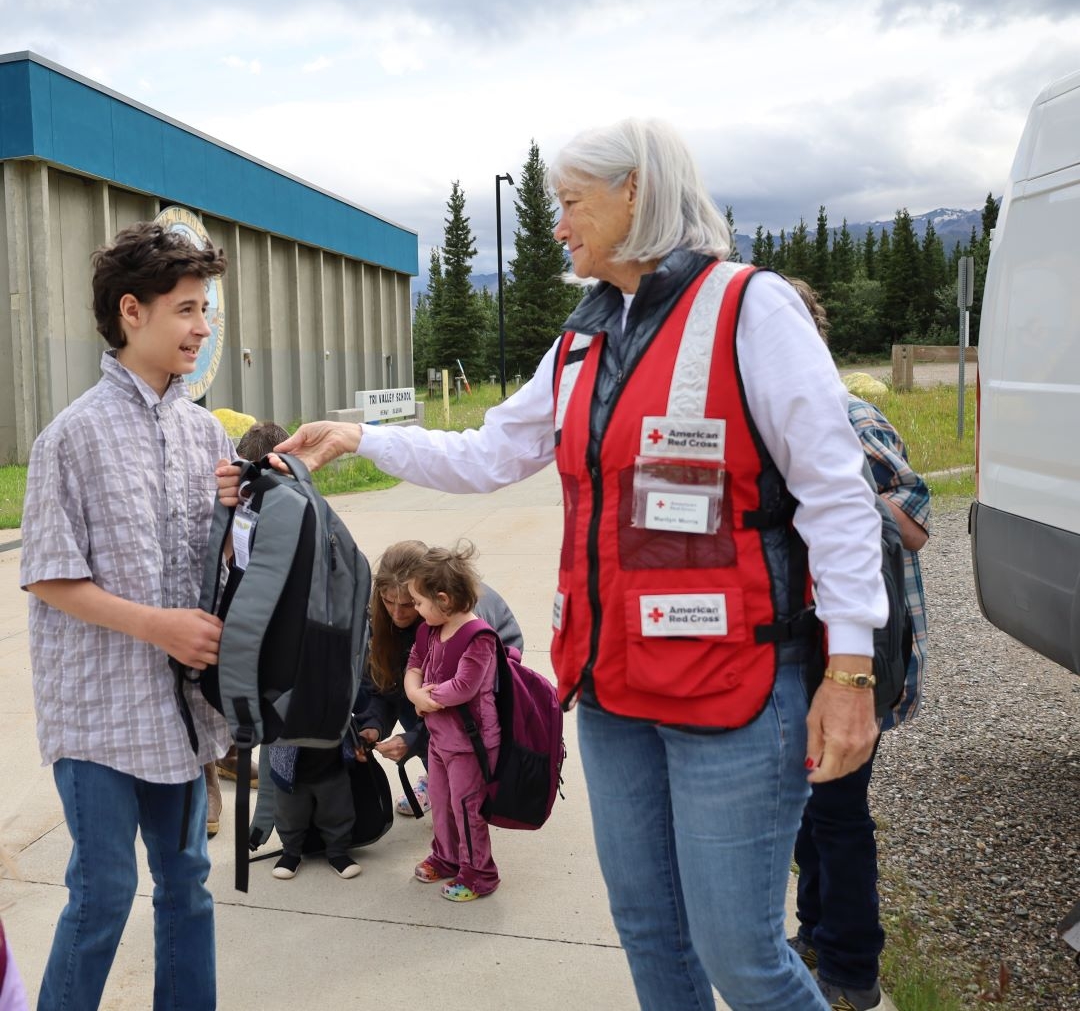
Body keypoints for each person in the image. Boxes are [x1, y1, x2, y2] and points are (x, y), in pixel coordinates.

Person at [217, 118, 886, 1010]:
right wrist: (361, 436)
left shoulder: (750, 309)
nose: (559, 225)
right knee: (650, 930)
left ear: (636, 193)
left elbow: (836, 495)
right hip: (613, 691)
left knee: (744, 957)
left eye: (572, 203)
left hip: (738, 688)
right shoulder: (582, 340)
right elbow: (491, 453)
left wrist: (850, 671)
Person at [22, 221, 233, 1010]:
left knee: (187, 887)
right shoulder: (69, 437)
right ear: (131, 311)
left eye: (204, 308)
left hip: (179, 712)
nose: (202, 328)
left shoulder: (204, 431)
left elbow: (215, 566)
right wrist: (157, 626)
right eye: (185, 309)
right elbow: (47, 576)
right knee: (103, 891)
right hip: (99, 713)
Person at [786, 279, 930, 1011]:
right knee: (810, 813)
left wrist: (834, 490)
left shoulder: (846, 417)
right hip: (808, 653)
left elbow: (914, 519)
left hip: (852, 660)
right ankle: (814, 932)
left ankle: (851, 970)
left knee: (837, 815)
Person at [353, 539, 524, 817]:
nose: (397, 613)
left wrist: (414, 739)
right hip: (437, 680)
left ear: (435, 596)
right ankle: (437, 771)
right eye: (388, 601)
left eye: (408, 604)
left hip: (490, 670)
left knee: (428, 702)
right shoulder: (379, 618)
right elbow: (383, 686)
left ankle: (475, 774)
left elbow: (460, 704)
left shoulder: (458, 624)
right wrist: (372, 725)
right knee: (411, 689)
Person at [202, 421, 288, 837]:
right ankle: (212, 769)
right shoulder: (227, 499)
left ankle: (232, 754)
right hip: (225, 608)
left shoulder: (292, 501)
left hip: (266, 611)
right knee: (208, 682)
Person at [404, 543, 501, 902]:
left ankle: (479, 874)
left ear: (442, 599)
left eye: (418, 601)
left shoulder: (479, 636)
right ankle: (446, 857)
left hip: (469, 745)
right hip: (439, 739)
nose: (415, 609)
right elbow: (414, 664)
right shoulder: (431, 629)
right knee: (442, 802)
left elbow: (464, 687)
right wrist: (415, 694)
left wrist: (427, 699)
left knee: (466, 808)